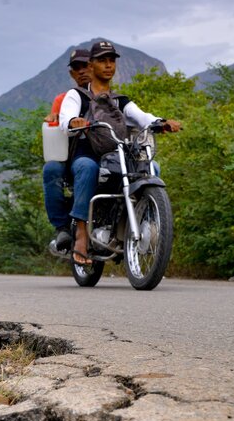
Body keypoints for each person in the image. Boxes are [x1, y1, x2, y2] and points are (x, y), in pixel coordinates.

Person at [59, 40, 181, 264]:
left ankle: (139, 221)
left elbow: (141, 116)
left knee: (152, 167)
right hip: (88, 153)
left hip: (118, 155)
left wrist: (160, 122)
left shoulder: (120, 101)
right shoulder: (77, 96)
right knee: (88, 168)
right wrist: (74, 121)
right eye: (102, 61)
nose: (108, 65)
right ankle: (81, 234)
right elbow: (65, 119)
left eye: (111, 61)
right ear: (92, 64)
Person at [43, 48, 91, 252]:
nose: (81, 71)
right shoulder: (64, 99)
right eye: (76, 68)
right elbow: (56, 118)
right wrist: (55, 118)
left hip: (106, 153)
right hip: (72, 154)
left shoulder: (110, 96)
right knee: (51, 169)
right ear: (71, 73)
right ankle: (62, 228)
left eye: (86, 65)